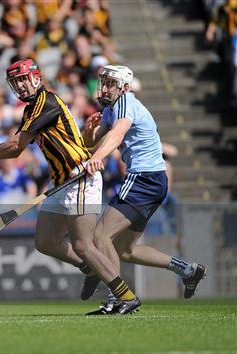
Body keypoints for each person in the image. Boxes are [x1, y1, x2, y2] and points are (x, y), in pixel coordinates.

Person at [0, 59, 141, 315]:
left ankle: (125, 296)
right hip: (60, 182)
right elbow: (15, 148)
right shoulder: (32, 109)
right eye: (15, 82)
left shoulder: (47, 102)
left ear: (37, 77)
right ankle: (94, 268)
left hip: (79, 176)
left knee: (83, 245)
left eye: (24, 79)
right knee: (45, 242)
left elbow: (16, 146)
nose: (21, 85)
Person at [81, 65, 206, 314]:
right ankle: (188, 271)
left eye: (110, 83)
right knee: (125, 250)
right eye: (103, 82)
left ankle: (118, 299)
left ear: (124, 88)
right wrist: (88, 130)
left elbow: (117, 133)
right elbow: (91, 141)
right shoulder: (110, 109)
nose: (104, 87)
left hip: (143, 179)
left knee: (100, 237)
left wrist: (99, 157)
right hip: (153, 181)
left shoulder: (126, 102)